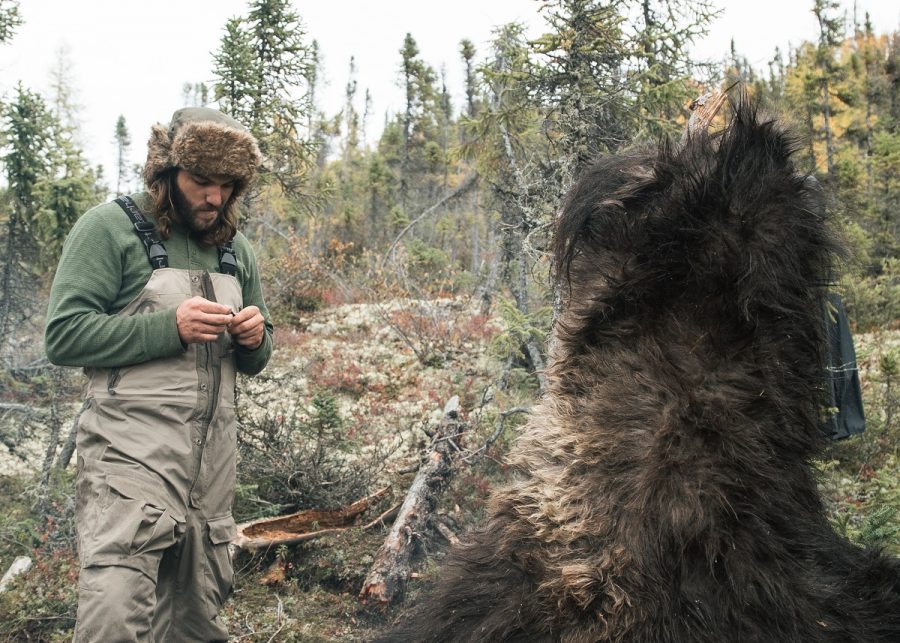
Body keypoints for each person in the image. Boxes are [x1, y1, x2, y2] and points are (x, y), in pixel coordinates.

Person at [44, 107, 274, 642]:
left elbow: (258, 361)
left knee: (194, 624)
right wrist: (168, 327)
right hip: (129, 464)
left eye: (226, 185)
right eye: (200, 181)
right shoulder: (110, 228)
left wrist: (256, 339)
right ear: (166, 171)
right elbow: (64, 335)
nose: (213, 198)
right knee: (116, 618)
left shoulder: (237, 251)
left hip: (211, 478)